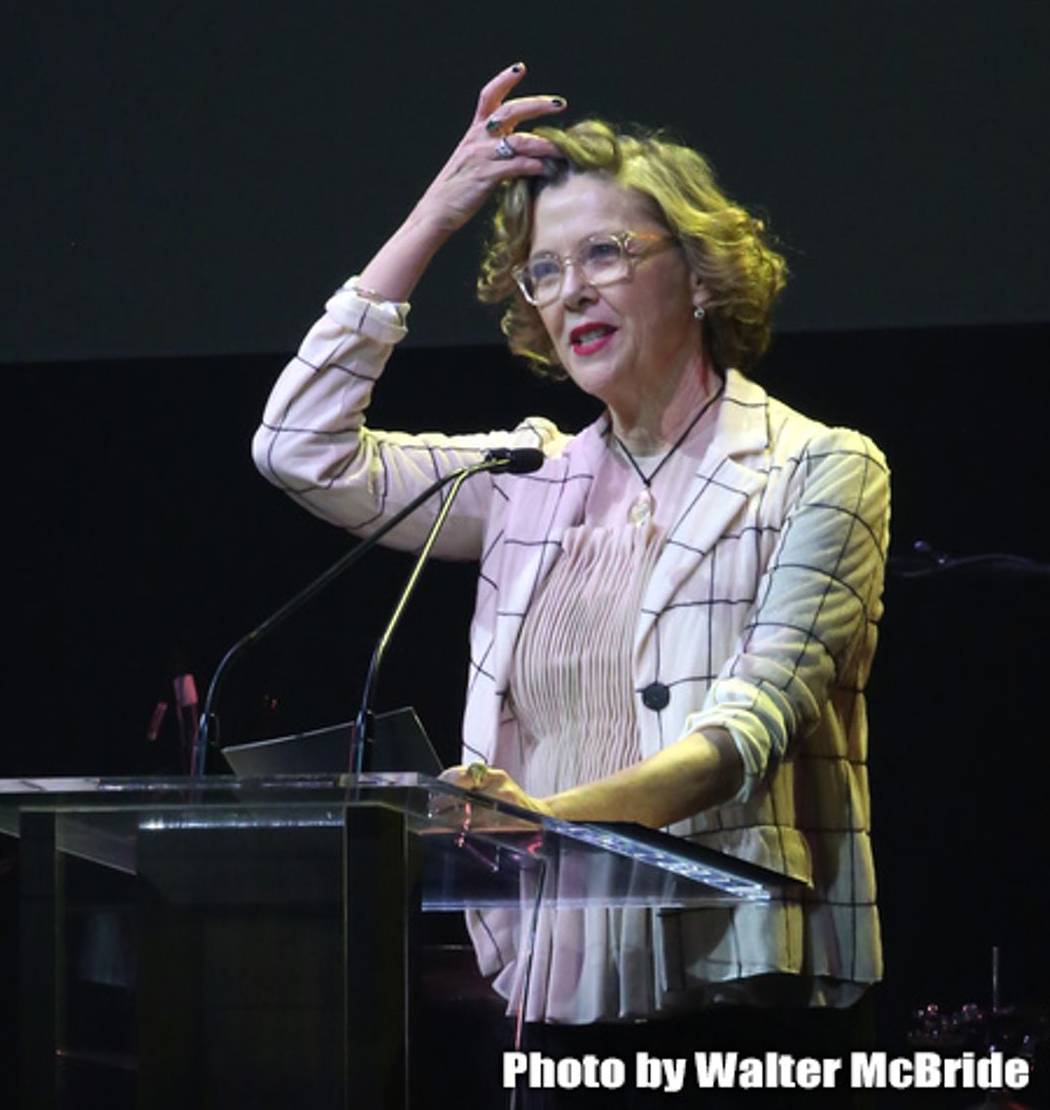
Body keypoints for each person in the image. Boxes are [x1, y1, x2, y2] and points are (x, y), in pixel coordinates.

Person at [254, 63, 890, 1106]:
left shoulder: (817, 469)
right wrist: (435, 212)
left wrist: (536, 822)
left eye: (604, 253)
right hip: (554, 998)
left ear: (696, 275)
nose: (568, 293)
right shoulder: (520, 482)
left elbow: (742, 732)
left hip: (744, 1003)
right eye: (541, 272)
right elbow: (297, 449)